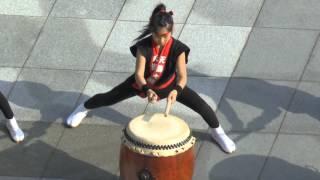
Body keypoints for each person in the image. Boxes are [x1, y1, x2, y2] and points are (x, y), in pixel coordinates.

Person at [65, 3, 236, 153]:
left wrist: (176, 90)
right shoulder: (144, 46)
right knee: (109, 97)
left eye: (165, 36)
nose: (161, 40)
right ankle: (83, 107)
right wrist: (147, 90)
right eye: (158, 36)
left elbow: (183, 77)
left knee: (202, 106)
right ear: (152, 32)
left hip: (169, 85)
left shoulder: (178, 48)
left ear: (171, 31)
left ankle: (218, 132)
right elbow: (139, 74)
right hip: (142, 85)